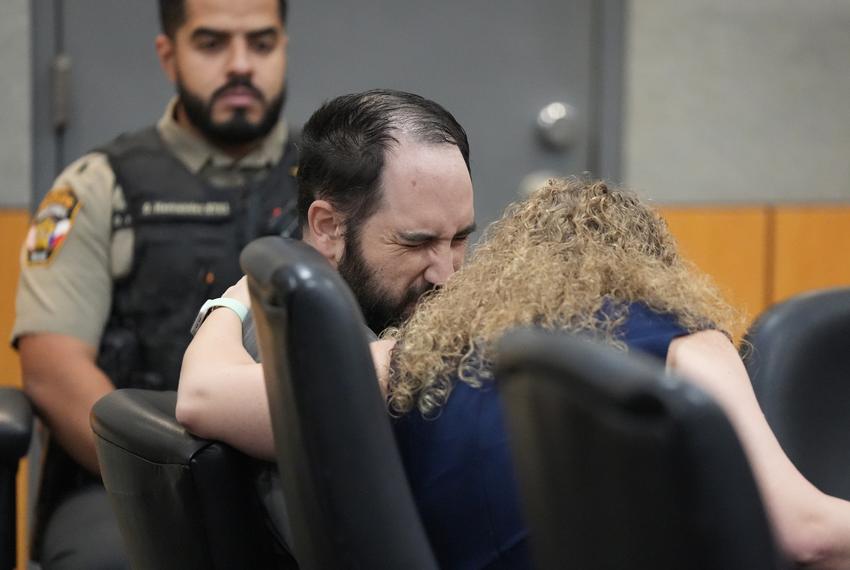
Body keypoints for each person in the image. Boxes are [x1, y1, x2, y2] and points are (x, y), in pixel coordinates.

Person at [189, 177, 850, 569]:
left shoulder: (409, 362)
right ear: (652, 268)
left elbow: (203, 397)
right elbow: (807, 535)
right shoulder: (685, 348)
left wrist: (237, 297)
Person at [12, 0, 296, 567]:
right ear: (169, 55)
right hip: (127, 485)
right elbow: (53, 369)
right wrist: (177, 476)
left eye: (261, 43)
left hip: (295, 477)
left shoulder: (331, 189)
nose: (241, 65)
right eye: (212, 43)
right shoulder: (99, 187)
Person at [178, 88, 477, 457]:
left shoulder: (258, 310)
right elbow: (201, 398)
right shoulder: (326, 339)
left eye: (460, 239)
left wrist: (229, 307)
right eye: (416, 243)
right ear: (328, 227)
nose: (446, 275)